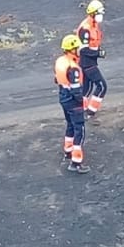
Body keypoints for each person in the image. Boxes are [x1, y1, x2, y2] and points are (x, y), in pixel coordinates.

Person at [54, 34, 89, 174]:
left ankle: (67, 151)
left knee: (70, 125)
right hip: (73, 102)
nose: (79, 50)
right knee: (79, 130)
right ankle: (76, 162)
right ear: (72, 49)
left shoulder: (60, 62)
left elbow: (56, 80)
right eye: (77, 48)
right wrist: (83, 102)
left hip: (63, 98)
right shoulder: (73, 68)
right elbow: (76, 91)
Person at [76, 0, 107, 116]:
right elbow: (83, 49)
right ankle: (90, 111)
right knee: (102, 86)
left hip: (89, 62)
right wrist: (98, 53)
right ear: (93, 13)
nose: (101, 16)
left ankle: (82, 112)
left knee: (86, 89)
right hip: (87, 63)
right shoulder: (86, 28)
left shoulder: (93, 25)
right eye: (99, 13)